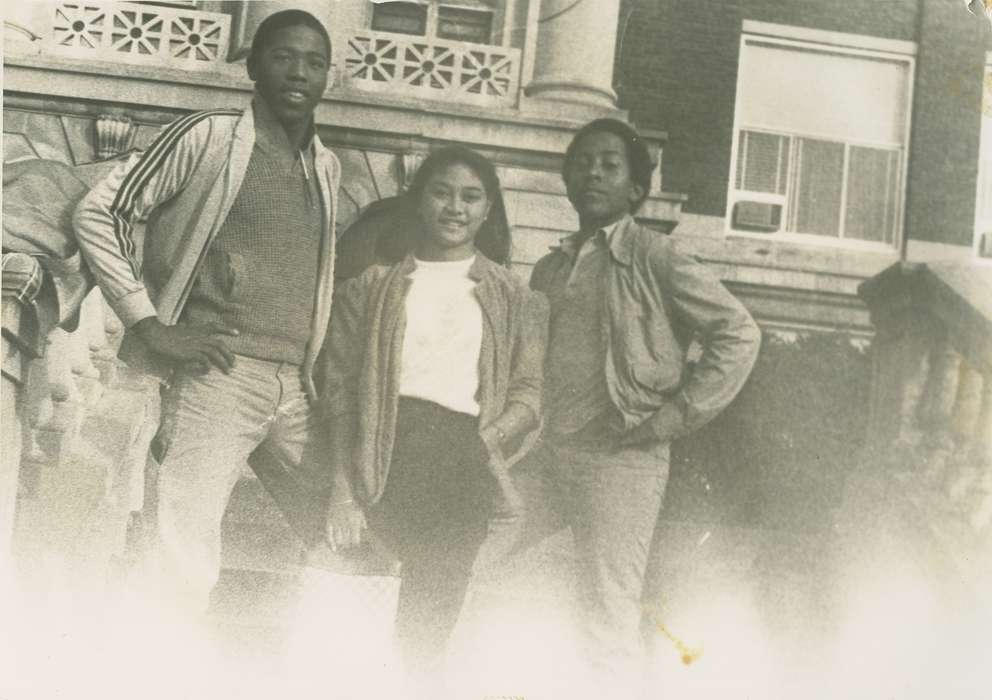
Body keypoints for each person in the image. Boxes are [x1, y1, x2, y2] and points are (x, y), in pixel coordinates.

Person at [73, 9, 340, 614]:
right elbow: (98, 213)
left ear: (328, 77)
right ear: (252, 67)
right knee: (183, 557)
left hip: (297, 386)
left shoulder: (326, 166)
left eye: (315, 61)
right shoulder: (208, 135)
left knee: (347, 514)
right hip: (220, 374)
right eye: (283, 56)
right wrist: (148, 323)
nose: (299, 71)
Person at [529, 118, 761, 689]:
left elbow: (739, 333)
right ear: (566, 180)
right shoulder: (550, 266)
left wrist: (672, 419)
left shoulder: (659, 258)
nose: (593, 173)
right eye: (582, 163)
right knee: (475, 551)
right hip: (545, 450)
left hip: (622, 457)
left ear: (636, 189)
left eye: (610, 165)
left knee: (606, 612)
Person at [321, 145, 547, 670]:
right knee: (363, 614)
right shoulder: (373, 286)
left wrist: (492, 436)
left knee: (431, 621)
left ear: (488, 210)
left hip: (462, 460)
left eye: (471, 197)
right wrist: (342, 489)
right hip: (385, 452)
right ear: (418, 200)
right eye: (441, 192)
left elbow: (529, 391)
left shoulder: (513, 294)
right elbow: (339, 394)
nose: (455, 207)